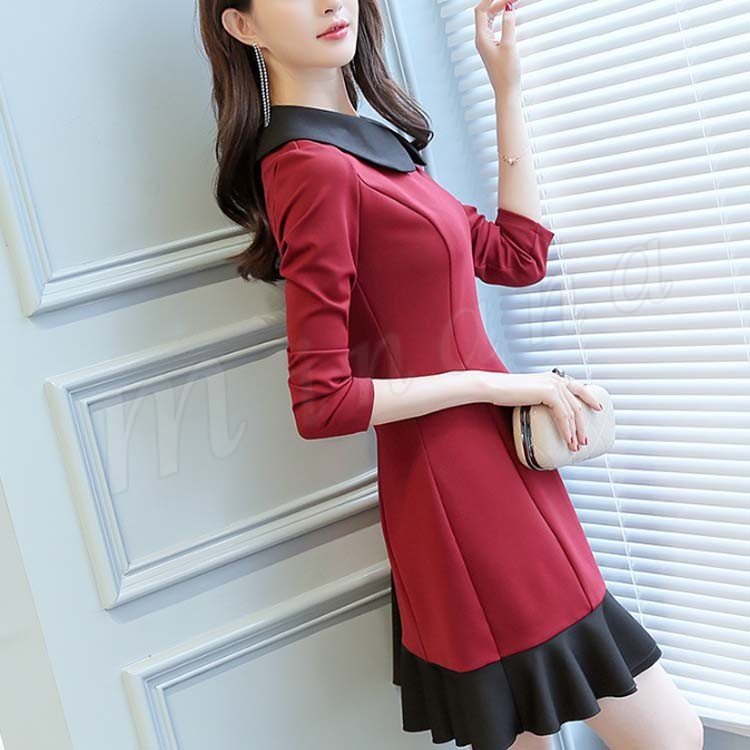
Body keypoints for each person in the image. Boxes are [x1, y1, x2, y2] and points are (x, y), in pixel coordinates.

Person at [199, 0, 705, 748]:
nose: (331, 3)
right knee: (671, 735)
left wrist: (506, 88)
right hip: (462, 494)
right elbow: (322, 401)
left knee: (537, 734)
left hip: (494, 475)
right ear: (243, 26)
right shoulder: (308, 165)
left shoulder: (372, 146)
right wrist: (501, 385)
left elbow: (517, 257)